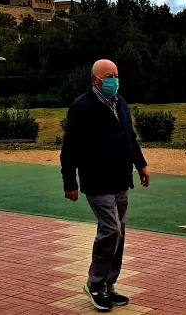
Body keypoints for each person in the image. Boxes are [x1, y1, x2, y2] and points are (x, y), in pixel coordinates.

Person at [61, 59, 150, 312]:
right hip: (97, 180)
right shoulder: (82, 107)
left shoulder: (120, 103)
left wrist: (141, 165)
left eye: (116, 74)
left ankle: (109, 285)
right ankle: (95, 284)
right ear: (96, 80)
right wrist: (70, 182)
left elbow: (129, 138)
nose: (114, 79)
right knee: (111, 230)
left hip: (121, 180)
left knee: (119, 233)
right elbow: (70, 150)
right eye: (109, 75)